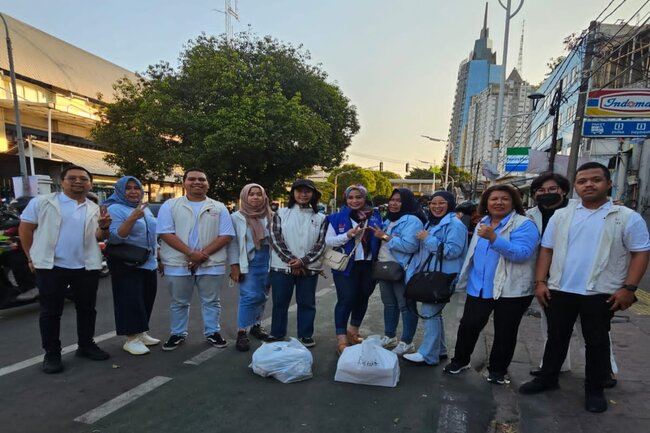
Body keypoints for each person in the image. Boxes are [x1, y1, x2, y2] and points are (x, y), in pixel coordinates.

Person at [519, 162, 650, 413]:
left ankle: (594, 389)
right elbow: (546, 249)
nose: (589, 184)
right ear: (576, 187)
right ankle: (548, 378)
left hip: (601, 291)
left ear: (608, 184)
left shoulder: (626, 217)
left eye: (595, 179)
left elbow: (640, 253)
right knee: (556, 338)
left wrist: (629, 288)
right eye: (582, 181)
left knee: (596, 342)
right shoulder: (562, 215)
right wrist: (540, 282)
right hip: (560, 289)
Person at [19, 165, 112, 373]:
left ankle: (86, 345)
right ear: (62, 182)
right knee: (51, 312)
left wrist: (104, 227)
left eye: (83, 179)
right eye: (72, 178)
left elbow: (99, 238)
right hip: (52, 266)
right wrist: (31, 257)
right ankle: (52, 354)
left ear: (90, 183)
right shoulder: (43, 202)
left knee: (87, 309)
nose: (78, 182)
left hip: (86, 266)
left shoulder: (94, 208)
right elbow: (25, 229)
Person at [443, 184, 539, 385]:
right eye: (494, 199)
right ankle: (460, 361)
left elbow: (522, 254)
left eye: (505, 198)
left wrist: (495, 238)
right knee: (468, 325)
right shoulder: (483, 223)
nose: (498, 202)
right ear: (486, 203)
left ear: (514, 202)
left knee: (505, 331)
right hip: (479, 286)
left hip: (510, 290)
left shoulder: (524, 224)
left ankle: (497, 371)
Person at [157, 168, 235, 351]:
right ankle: (177, 333)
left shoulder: (219, 207)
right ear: (184, 183)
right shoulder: (170, 205)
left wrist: (202, 255)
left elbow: (226, 235)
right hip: (178, 262)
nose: (197, 182)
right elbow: (165, 233)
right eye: (192, 179)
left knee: (211, 301)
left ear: (208, 184)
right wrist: (191, 254)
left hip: (211, 263)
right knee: (179, 302)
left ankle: (212, 332)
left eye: (202, 179)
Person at [403, 191, 468, 366]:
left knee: (428, 312)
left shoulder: (455, 225)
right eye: (433, 203)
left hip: (443, 276)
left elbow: (452, 251)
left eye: (442, 203)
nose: (436, 207)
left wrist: (428, 238)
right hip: (431, 274)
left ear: (450, 204)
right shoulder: (431, 222)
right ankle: (440, 350)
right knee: (435, 314)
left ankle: (427, 355)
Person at [267, 179, 327, 347]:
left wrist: (303, 261)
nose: (303, 194)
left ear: (313, 194)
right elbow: (274, 238)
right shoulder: (280, 213)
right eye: (299, 191)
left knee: (307, 303)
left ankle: (306, 334)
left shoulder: (321, 218)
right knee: (280, 303)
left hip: (308, 269)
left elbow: (321, 244)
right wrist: (291, 261)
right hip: (281, 267)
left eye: (307, 191)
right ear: (293, 193)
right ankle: (277, 333)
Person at [104, 176, 159, 356]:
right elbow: (114, 237)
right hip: (126, 262)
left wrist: (159, 256)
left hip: (147, 260)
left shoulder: (143, 208)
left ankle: (141, 333)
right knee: (129, 300)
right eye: (128, 188)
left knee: (146, 297)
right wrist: (133, 218)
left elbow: (152, 234)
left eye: (137, 187)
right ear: (120, 191)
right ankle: (130, 339)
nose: (133, 191)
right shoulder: (115, 208)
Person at [325, 184, 383, 355]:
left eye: (359, 197)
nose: (354, 201)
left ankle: (353, 330)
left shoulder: (375, 216)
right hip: (346, 266)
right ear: (346, 199)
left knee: (363, 296)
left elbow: (380, 238)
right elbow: (329, 241)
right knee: (346, 299)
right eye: (351, 197)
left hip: (368, 265)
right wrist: (347, 235)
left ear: (365, 198)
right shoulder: (335, 218)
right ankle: (341, 337)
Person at [371, 188, 426, 355]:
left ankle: (407, 341)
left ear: (407, 202)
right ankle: (390, 336)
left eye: (399, 200)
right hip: (385, 268)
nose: (394, 203)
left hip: (402, 269)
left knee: (406, 306)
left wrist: (386, 237)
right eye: (392, 200)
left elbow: (410, 246)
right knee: (389, 305)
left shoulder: (412, 220)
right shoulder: (389, 220)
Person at [228, 183, 273, 352]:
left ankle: (256, 325)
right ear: (244, 197)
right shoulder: (236, 217)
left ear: (264, 197)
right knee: (249, 296)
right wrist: (234, 266)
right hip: (248, 262)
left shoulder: (271, 215)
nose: (255, 197)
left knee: (262, 296)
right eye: (251, 194)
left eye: (258, 194)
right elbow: (232, 244)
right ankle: (242, 331)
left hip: (268, 261)